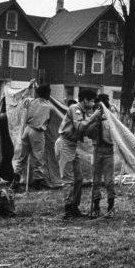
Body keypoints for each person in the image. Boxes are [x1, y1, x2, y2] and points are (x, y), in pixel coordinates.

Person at [56, 89, 102, 219]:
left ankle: (75, 207)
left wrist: (96, 122)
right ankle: (68, 209)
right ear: (85, 100)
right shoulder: (75, 108)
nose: (93, 104)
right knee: (68, 180)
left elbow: (87, 131)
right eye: (92, 101)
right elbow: (80, 127)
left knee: (79, 178)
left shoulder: (83, 112)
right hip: (65, 143)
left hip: (72, 145)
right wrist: (93, 117)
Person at [11, 83, 53, 192]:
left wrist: (29, 87)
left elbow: (23, 97)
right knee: (38, 158)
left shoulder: (30, 101)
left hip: (27, 130)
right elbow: (49, 120)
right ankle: (38, 184)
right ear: (47, 94)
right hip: (37, 133)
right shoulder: (49, 106)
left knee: (22, 157)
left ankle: (15, 181)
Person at [86, 94, 116, 218]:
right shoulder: (93, 120)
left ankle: (110, 207)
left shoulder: (112, 121)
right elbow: (88, 133)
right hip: (97, 151)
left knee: (109, 181)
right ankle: (96, 207)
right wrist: (95, 121)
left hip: (108, 151)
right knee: (96, 181)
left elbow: (115, 136)